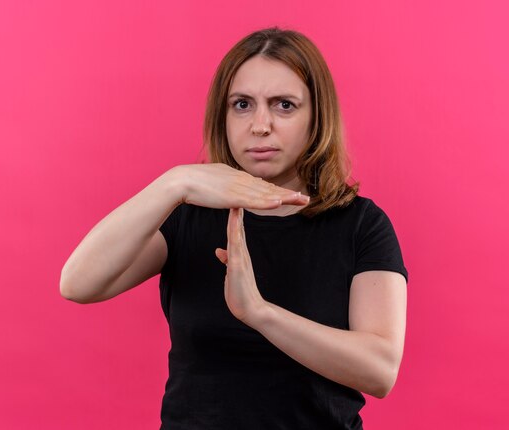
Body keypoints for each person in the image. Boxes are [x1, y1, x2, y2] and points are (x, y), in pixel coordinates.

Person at [60, 27, 408, 430]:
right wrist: (175, 183)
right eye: (242, 104)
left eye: (284, 105)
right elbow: (77, 283)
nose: (260, 126)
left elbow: (380, 370)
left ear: (316, 116)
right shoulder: (185, 216)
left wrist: (259, 313)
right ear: (222, 116)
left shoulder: (360, 224)